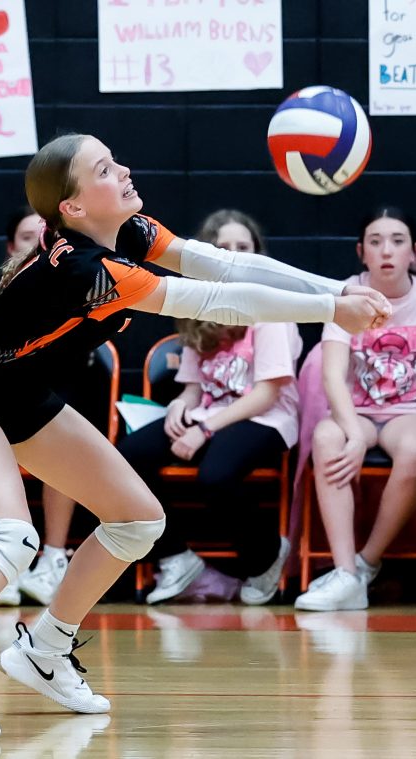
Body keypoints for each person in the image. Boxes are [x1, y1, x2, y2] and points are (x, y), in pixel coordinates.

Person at [0, 133, 390, 742]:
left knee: (138, 520)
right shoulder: (93, 272)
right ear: (73, 207)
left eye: (115, 160)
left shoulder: (127, 231)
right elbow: (218, 301)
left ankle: (45, 650)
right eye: (104, 169)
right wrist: (329, 311)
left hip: (23, 395)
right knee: (12, 536)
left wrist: (337, 290)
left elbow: (226, 265)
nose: (123, 170)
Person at [117, 209, 300, 605]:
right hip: (210, 415)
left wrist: (205, 429)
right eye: (223, 248)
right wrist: (177, 407)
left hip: (264, 418)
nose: (233, 256)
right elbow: (192, 391)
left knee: (215, 475)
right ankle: (177, 558)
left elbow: (266, 394)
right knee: (127, 458)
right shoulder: (201, 307)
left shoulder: (274, 310)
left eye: (243, 248)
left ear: (258, 256)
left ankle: (267, 555)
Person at [294, 207, 416, 612]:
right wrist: (353, 434)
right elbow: (332, 375)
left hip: (413, 411)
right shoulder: (346, 295)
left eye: (397, 241)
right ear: (361, 252)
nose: (386, 250)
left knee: (414, 450)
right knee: (326, 437)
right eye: (375, 241)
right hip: (357, 410)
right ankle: (344, 573)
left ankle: (366, 563)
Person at [0, 206, 78, 607]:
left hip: (54, 405)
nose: (37, 244)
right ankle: (5, 560)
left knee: (64, 442)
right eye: (27, 237)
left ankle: (54, 558)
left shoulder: (76, 290)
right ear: (11, 247)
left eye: (45, 237)